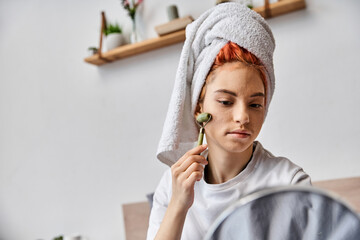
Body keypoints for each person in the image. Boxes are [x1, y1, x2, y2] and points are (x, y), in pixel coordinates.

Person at [147, 3, 311, 240]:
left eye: (255, 104)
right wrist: (178, 205)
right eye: (225, 101)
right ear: (198, 107)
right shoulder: (172, 185)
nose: (243, 117)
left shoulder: (289, 182)